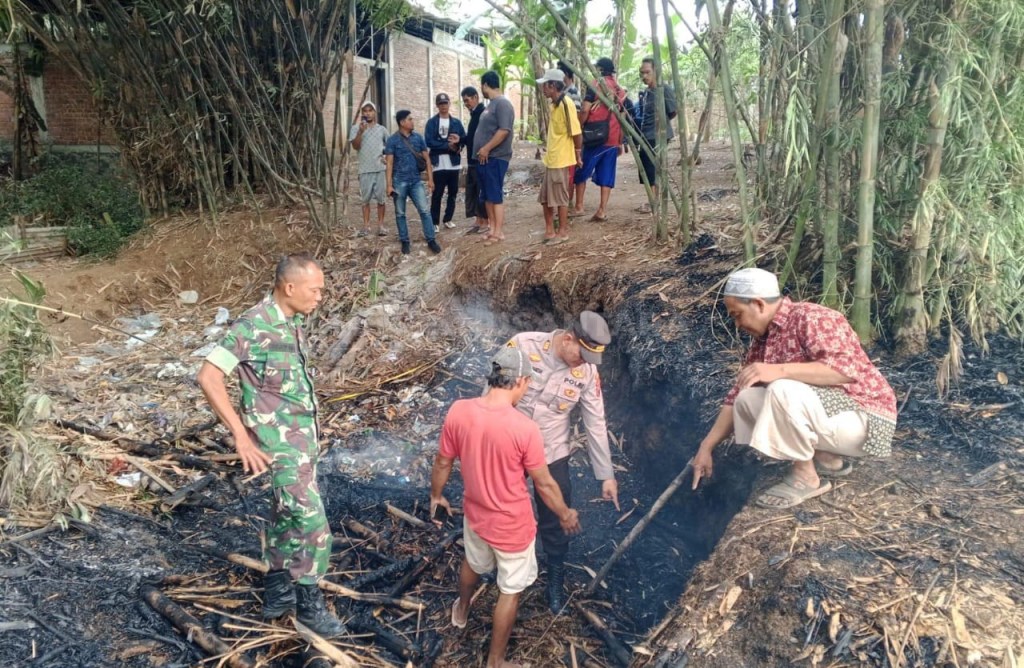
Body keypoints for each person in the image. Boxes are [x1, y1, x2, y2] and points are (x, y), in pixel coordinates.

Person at [196, 254, 346, 637]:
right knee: (314, 524)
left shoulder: (292, 321)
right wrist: (240, 435)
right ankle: (309, 605)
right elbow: (209, 376)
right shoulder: (252, 325)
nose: (320, 297)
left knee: (285, 517)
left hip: (301, 443)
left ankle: (278, 591)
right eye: (315, 290)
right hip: (278, 447)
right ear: (289, 287)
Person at [691, 268, 898, 508]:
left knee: (782, 389)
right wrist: (706, 447)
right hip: (833, 419)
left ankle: (806, 478)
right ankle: (826, 460)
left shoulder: (812, 317)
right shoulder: (764, 340)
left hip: (865, 420)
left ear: (758, 304)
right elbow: (735, 396)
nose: (738, 324)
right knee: (747, 398)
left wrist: (778, 370)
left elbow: (845, 371)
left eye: (737, 315)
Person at [430, 347, 581, 668]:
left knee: (473, 562)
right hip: (512, 526)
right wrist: (565, 513)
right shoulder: (524, 428)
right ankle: (495, 661)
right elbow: (544, 483)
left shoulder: (459, 410)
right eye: (528, 383)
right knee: (509, 591)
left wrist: (436, 496)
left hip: (475, 514)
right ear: (520, 381)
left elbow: (443, 461)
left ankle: (461, 611)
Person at [506, 311, 619, 613]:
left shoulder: (587, 372)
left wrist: (606, 474)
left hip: (550, 450)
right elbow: (491, 393)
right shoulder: (523, 345)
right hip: (509, 445)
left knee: (556, 514)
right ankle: (500, 566)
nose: (583, 363)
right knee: (503, 507)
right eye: (581, 355)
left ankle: (554, 579)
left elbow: (595, 421)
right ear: (568, 339)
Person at [572, 57, 626, 223]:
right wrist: (620, 141)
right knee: (607, 173)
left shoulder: (595, 84)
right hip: (612, 137)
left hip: (595, 136)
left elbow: (585, 109)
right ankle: (602, 209)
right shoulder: (619, 90)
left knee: (582, 169)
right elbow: (623, 115)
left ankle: (579, 206)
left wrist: (579, 126)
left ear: (600, 69)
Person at [384, 110, 443, 256]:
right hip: (399, 182)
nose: (412, 121)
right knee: (400, 213)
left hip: (416, 181)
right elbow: (389, 164)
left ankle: (431, 239)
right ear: (402, 122)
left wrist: (430, 180)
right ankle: (404, 240)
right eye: (410, 119)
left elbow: (427, 159)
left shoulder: (418, 138)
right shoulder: (392, 140)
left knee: (424, 210)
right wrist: (389, 185)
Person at [536, 69, 582, 245]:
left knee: (560, 197)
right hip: (552, 158)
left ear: (553, 85)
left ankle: (563, 232)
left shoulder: (566, 104)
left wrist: (578, 153)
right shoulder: (554, 105)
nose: (543, 89)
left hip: (561, 159)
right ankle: (550, 230)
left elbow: (576, 132)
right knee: (546, 197)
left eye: (545, 85)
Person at [474, 70, 515, 247]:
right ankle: (491, 228)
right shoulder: (490, 105)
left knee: (495, 194)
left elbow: (504, 130)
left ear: (485, 85)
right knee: (487, 195)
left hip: (496, 157)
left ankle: (498, 232)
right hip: (484, 158)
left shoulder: (503, 104)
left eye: (481, 86)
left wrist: (486, 148)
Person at [634, 57, 678, 213]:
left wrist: (661, 126)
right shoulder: (647, 92)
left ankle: (655, 202)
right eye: (642, 73)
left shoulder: (664, 89)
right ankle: (652, 200)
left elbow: (673, 111)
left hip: (658, 135)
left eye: (647, 72)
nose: (644, 76)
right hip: (646, 135)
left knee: (653, 168)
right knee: (647, 168)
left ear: (656, 71)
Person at [425, 93, 466, 231]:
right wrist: (447, 146)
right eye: (441, 103)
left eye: (445, 103)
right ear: (437, 105)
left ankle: (448, 219)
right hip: (438, 164)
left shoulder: (456, 123)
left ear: (449, 104)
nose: (443, 106)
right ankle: (434, 222)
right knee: (437, 194)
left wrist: (458, 147)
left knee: (453, 193)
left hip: (453, 164)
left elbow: (463, 139)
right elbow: (429, 141)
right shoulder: (432, 123)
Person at [348, 101, 390, 237]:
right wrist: (361, 131)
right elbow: (355, 146)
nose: (368, 113)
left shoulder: (382, 129)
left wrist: (386, 157)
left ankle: (381, 226)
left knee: (381, 199)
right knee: (365, 200)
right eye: (365, 111)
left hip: (380, 169)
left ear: (374, 112)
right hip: (364, 169)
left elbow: (390, 147)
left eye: (370, 110)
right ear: (362, 113)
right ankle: (366, 226)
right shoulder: (355, 128)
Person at [461, 86, 490, 235]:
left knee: (480, 191)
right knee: (473, 191)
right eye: (464, 101)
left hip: (480, 159)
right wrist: (460, 140)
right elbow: (472, 137)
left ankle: (485, 221)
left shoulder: (483, 114)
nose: (466, 104)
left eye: (467, 100)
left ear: (475, 97)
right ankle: (478, 220)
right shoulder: (474, 115)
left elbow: (485, 136)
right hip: (472, 160)